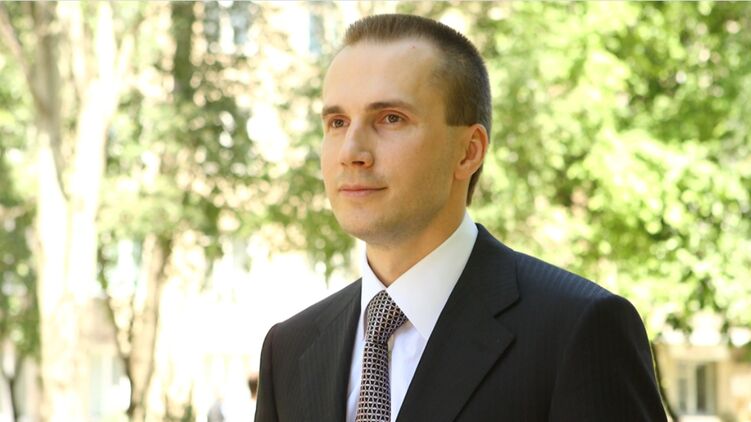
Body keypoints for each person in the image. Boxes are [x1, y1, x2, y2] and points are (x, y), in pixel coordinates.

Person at [255, 13, 667, 422]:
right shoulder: (288, 351)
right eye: (337, 122)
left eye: (391, 118)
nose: (351, 152)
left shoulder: (579, 330)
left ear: (469, 151)